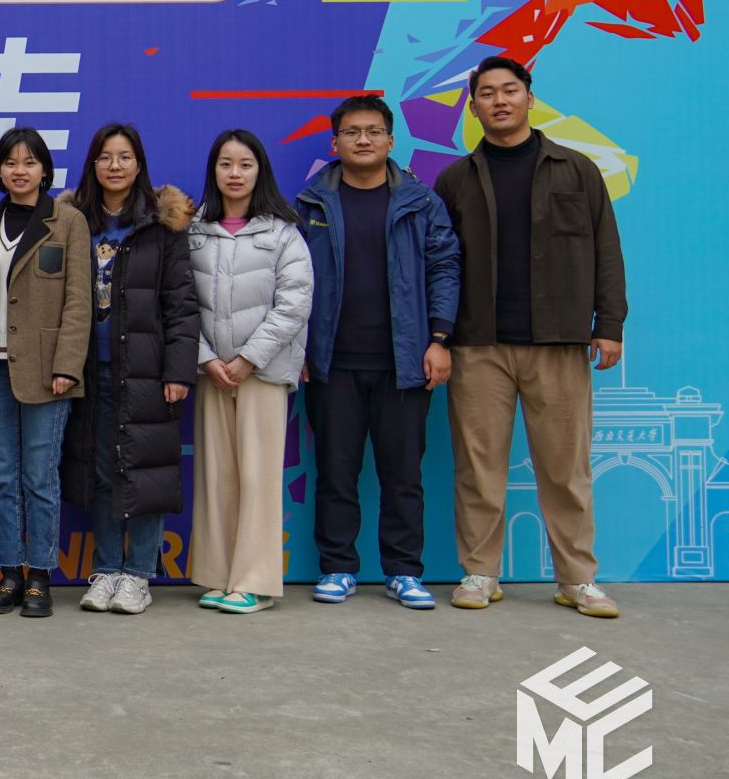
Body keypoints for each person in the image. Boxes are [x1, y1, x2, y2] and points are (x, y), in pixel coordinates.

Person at [433, 57, 628, 618]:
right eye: (487, 93)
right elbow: (440, 264)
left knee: (566, 468)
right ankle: (480, 572)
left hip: (559, 341)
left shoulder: (577, 170)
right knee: (479, 467)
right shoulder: (455, 179)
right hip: (478, 344)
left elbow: (606, 248)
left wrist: (608, 325)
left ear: (529, 98)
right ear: (473, 107)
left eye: (510, 90)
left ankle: (578, 579)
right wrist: (439, 335)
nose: (499, 100)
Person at [295, 95, 461, 611]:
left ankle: (404, 571)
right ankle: (338, 567)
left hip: (404, 362)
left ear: (390, 140)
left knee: (403, 476)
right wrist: (298, 348)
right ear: (335, 142)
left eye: (372, 131)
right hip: (332, 362)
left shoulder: (421, 202)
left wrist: (439, 339)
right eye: (351, 132)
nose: (362, 140)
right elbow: (290, 282)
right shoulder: (310, 204)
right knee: (335, 473)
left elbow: (445, 267)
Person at [61, 123, 196, 616]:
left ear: (139, 164)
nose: (114, 166)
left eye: (124, 157)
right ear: (92, 164)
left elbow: (181, 305)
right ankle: (105, 570)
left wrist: (178, 372)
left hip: (146, 371)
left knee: (144, 473)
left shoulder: (161, 227)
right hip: (88, 372)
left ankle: (138, 574)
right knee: (99, 472)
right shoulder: (73, 221)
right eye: (105, 157)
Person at [0, 127, 92, 619]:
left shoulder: (68, 222)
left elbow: (78, 301)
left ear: (44, 170)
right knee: (0, 476)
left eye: (29, 162)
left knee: (39, 476)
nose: (19, 170)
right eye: (10, 162)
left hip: (45, 369)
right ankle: (10, 572)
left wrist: (67, 365)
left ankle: (40, 577)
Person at [187, 129, 313, 615]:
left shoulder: (282, 233)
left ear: (260, 171)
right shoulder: (194, 231)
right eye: (225, 164)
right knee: (217, 475)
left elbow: (294, 303)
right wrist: (206, 359)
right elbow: (177, 302)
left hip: (261, 372)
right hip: (211, 372)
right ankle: (219, 574)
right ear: (213, 171)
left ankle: (255, 582)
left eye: (245, 164)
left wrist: (248, 359)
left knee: (258, 476)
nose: (235, 174)